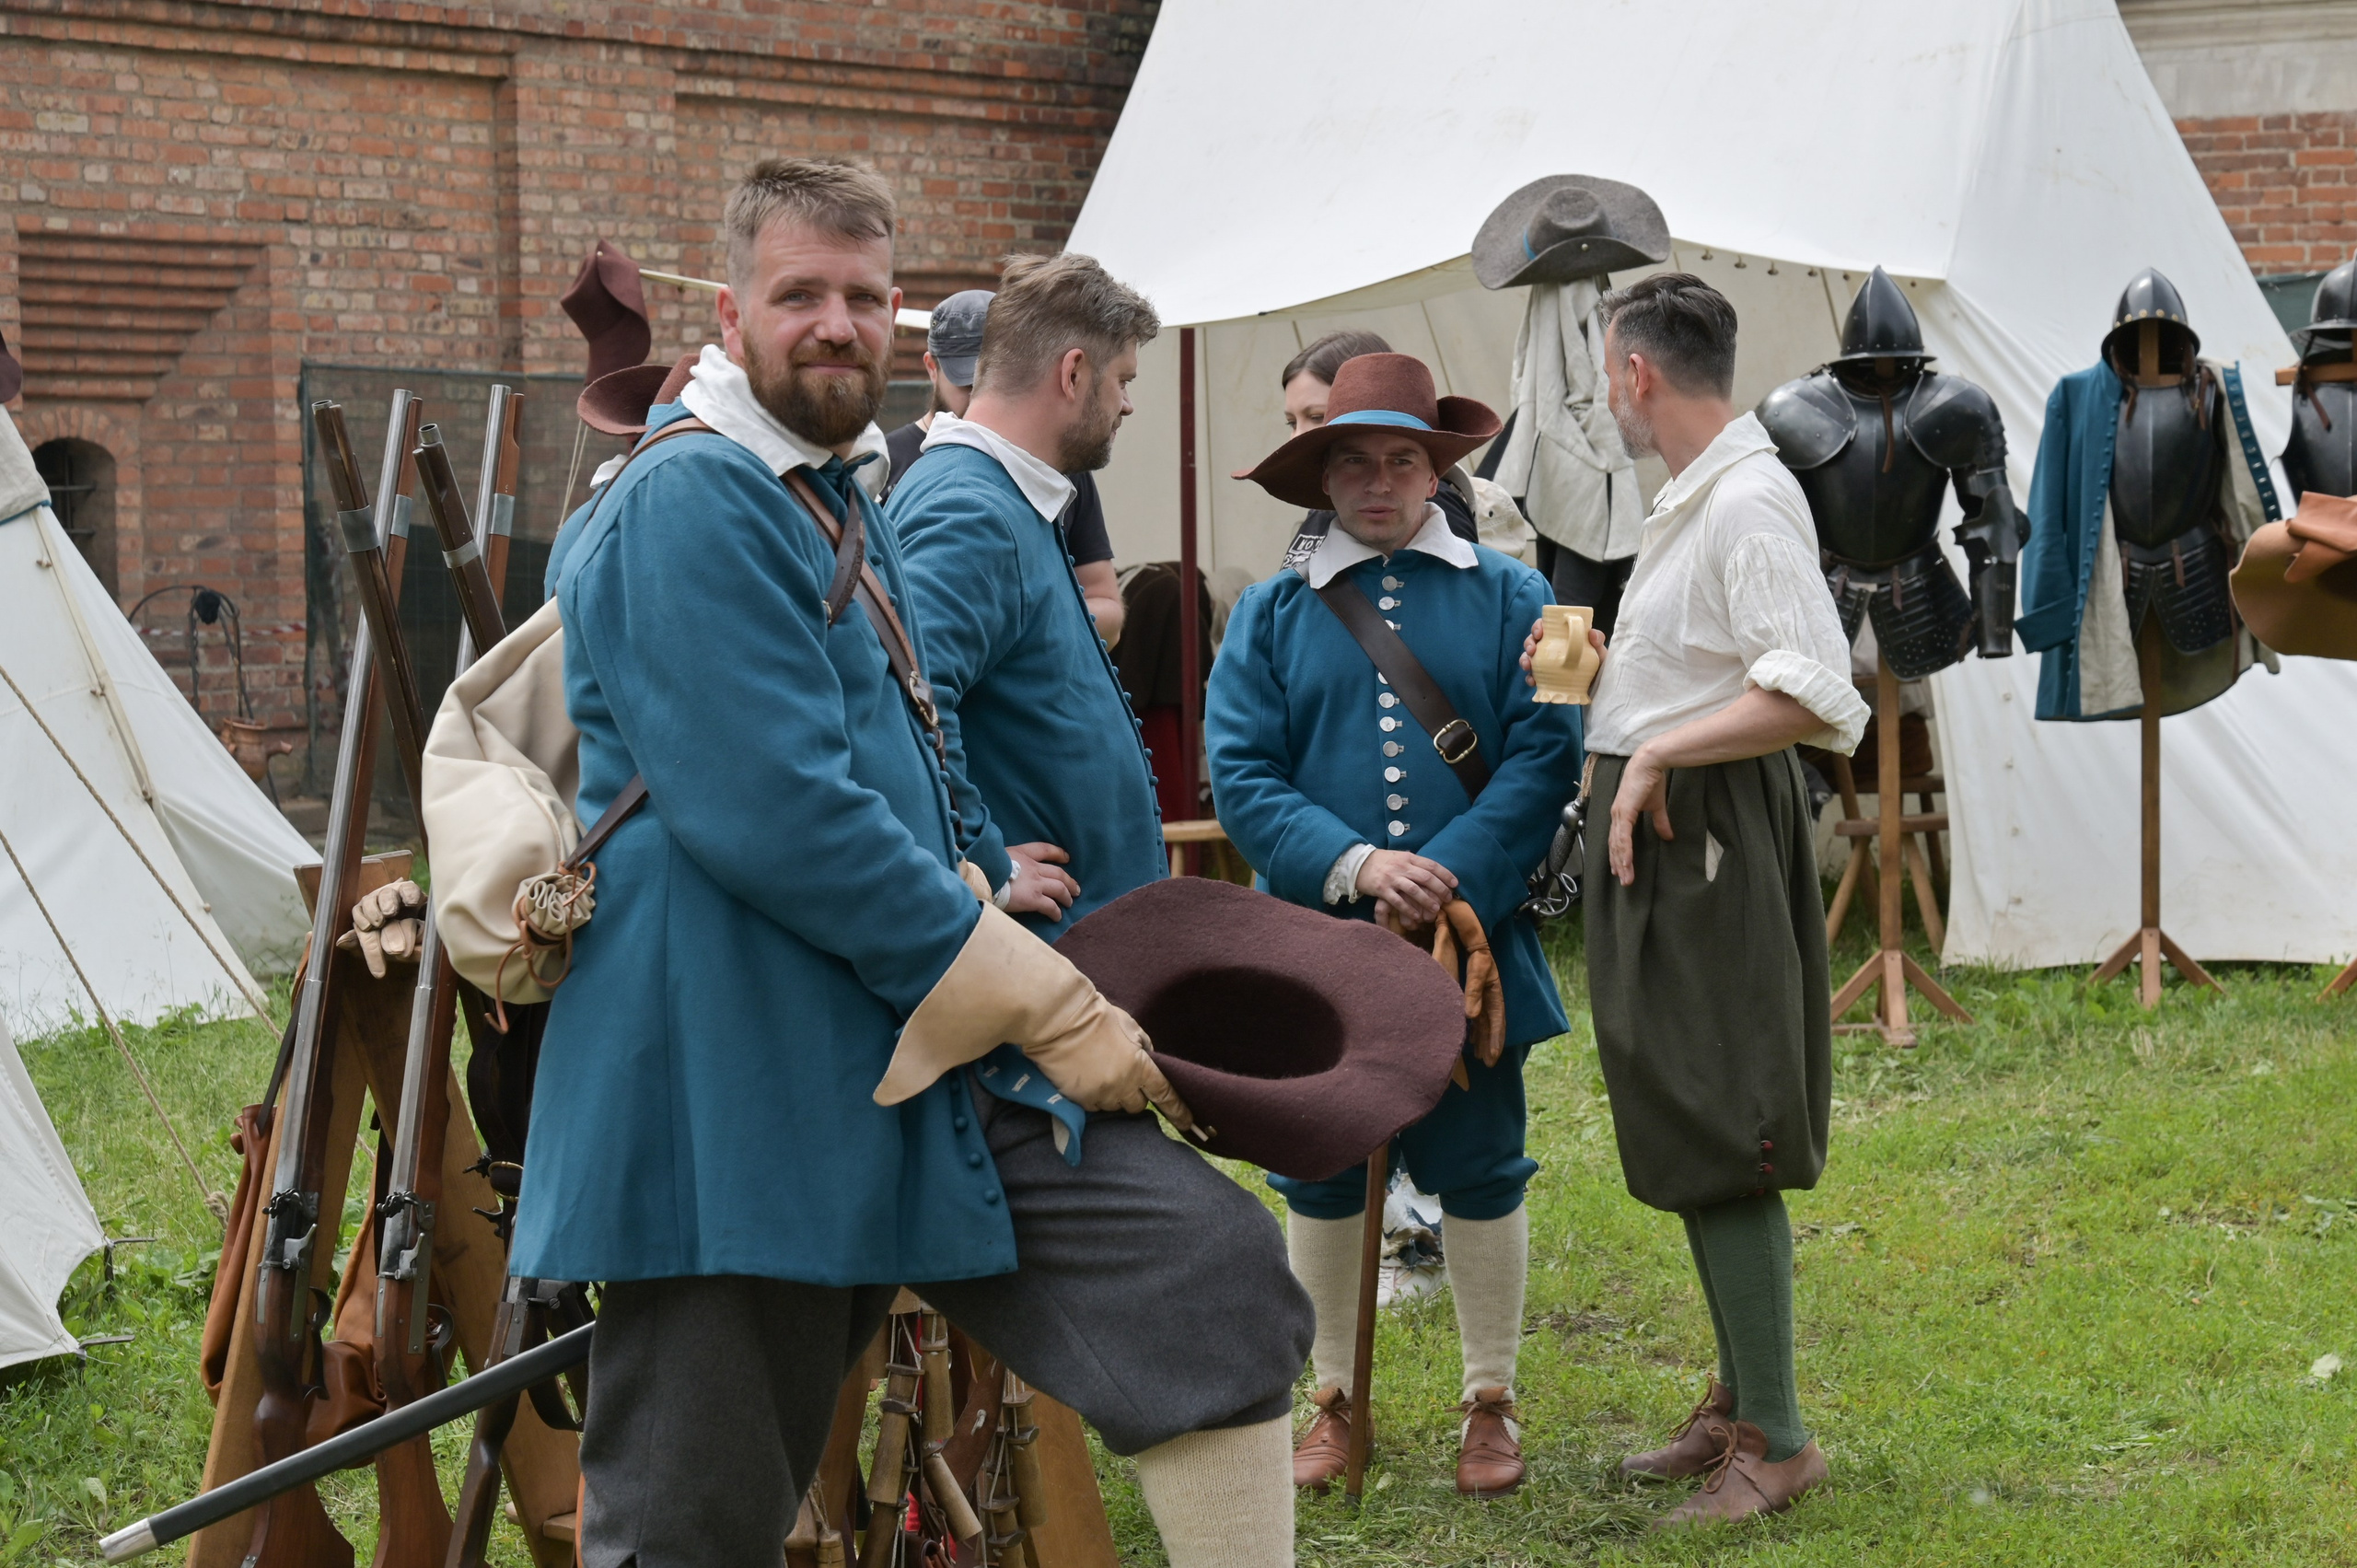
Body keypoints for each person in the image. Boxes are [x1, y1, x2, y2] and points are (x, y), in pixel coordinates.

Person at [518, 157, 1309, 1568]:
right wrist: (1036, 991)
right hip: (730, 1081)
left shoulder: (833, 490)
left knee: (1205, 1273)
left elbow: (905, 753)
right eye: (800, 293)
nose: (838, 322)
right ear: (730, 308)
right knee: (693, 1523)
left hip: (898, 1043)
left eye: (866, 296)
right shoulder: (689, 500)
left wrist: (984, 878)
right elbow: (780, 812)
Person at [1210, 352, 1582, 1499]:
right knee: (1319, 1169)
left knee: (1481, 1165)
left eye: (1402, 458)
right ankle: (1332, 1400)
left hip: (1467, 942)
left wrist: (1451, 873)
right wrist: (1359, 862)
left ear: (1437, 469)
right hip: (1320, 944)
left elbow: (1550, 750)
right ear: (1323, 475)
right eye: (1354, 459)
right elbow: (1240, 772)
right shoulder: (1268, 615)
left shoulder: (1523, 594)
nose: (1379, 480)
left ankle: (1490, 1400)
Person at [1527, 273, 1866, 1527]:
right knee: (1686, 1110)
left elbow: (1818, 688)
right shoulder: (1694, 498)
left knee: (1727, 1115)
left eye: (1602, 376)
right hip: (1668, 835)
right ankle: (1741, 1396)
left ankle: (1776, 1438)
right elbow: (1712, 662)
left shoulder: (1748, 497)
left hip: (1706, 830)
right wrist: (1618, 690)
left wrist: (1661, 751)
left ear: (1634, 376)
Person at [888, 254, 1171, 930]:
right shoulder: (971, 507)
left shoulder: (999, 494)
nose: (1128, 403)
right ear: (1073, 373)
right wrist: (986, 861)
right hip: (1044, 952)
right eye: (1122, 379)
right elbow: (902, 697)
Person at [885, 287, 1126, 645]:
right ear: (932, 368)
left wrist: (1026, 629)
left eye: (994, 379)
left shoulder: (1060, 465)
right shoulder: (883, 463)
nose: (983, 395)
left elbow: (1108, 606)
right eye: (968, 382)